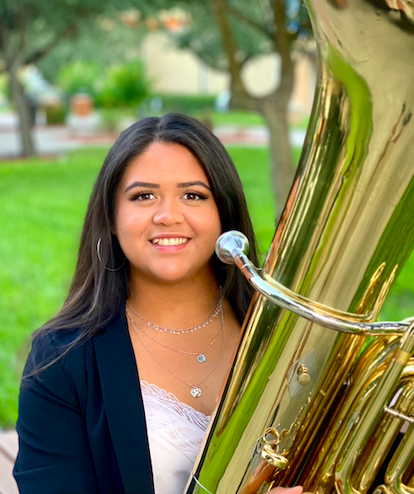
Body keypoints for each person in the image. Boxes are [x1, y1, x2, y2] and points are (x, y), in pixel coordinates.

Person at [14, 113, 304, 494]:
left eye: (193, 195)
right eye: (143, 196)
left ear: (224, 214)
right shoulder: (60, 360)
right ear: (112, 219)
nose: (168, 216)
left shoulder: (291, 332)